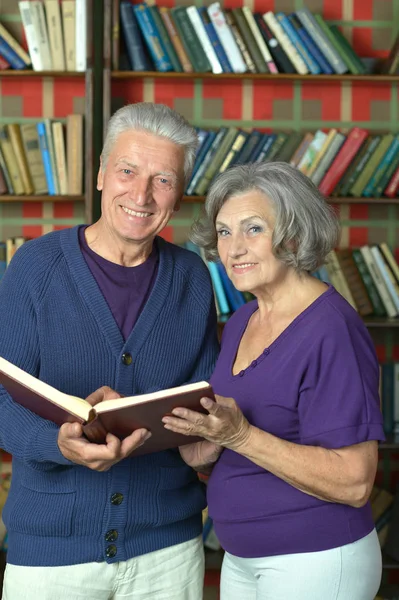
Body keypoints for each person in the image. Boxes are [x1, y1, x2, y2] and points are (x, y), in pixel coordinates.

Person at [0, 103, 219, 600]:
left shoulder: (191, 278)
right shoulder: (35, 267)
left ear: (180, 194)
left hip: (167, 550)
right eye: (127, 171)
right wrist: (59, 443)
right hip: (52, 553)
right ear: (100, 175)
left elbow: (200, 402)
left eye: (162, 179)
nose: (141, 194)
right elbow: (1, 401)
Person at [163, 161, 385, 600]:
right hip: (243, 559)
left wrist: (240, 436)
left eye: (253, 229)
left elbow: (355, 481)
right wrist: (201, 441)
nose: (234, 249)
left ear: (295, 235)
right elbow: (238, 430)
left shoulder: (331, 327)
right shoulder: (245, 317)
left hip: (317, 559)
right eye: (224, 233)